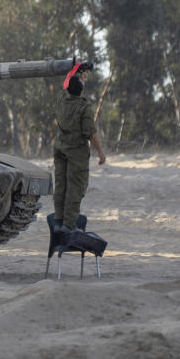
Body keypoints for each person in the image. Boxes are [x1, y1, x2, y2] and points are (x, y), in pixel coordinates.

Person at [53, 61, 106, 234]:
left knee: (61, 186)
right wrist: (100, 152)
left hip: (60, 149)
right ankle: (68, 226)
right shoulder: (84, 108)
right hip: (76, 152)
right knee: (75, 188)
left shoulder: (61, 99)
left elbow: (68, 82)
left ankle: (58, 221)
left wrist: (78, 69)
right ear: (81, 89)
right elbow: (91, 133)